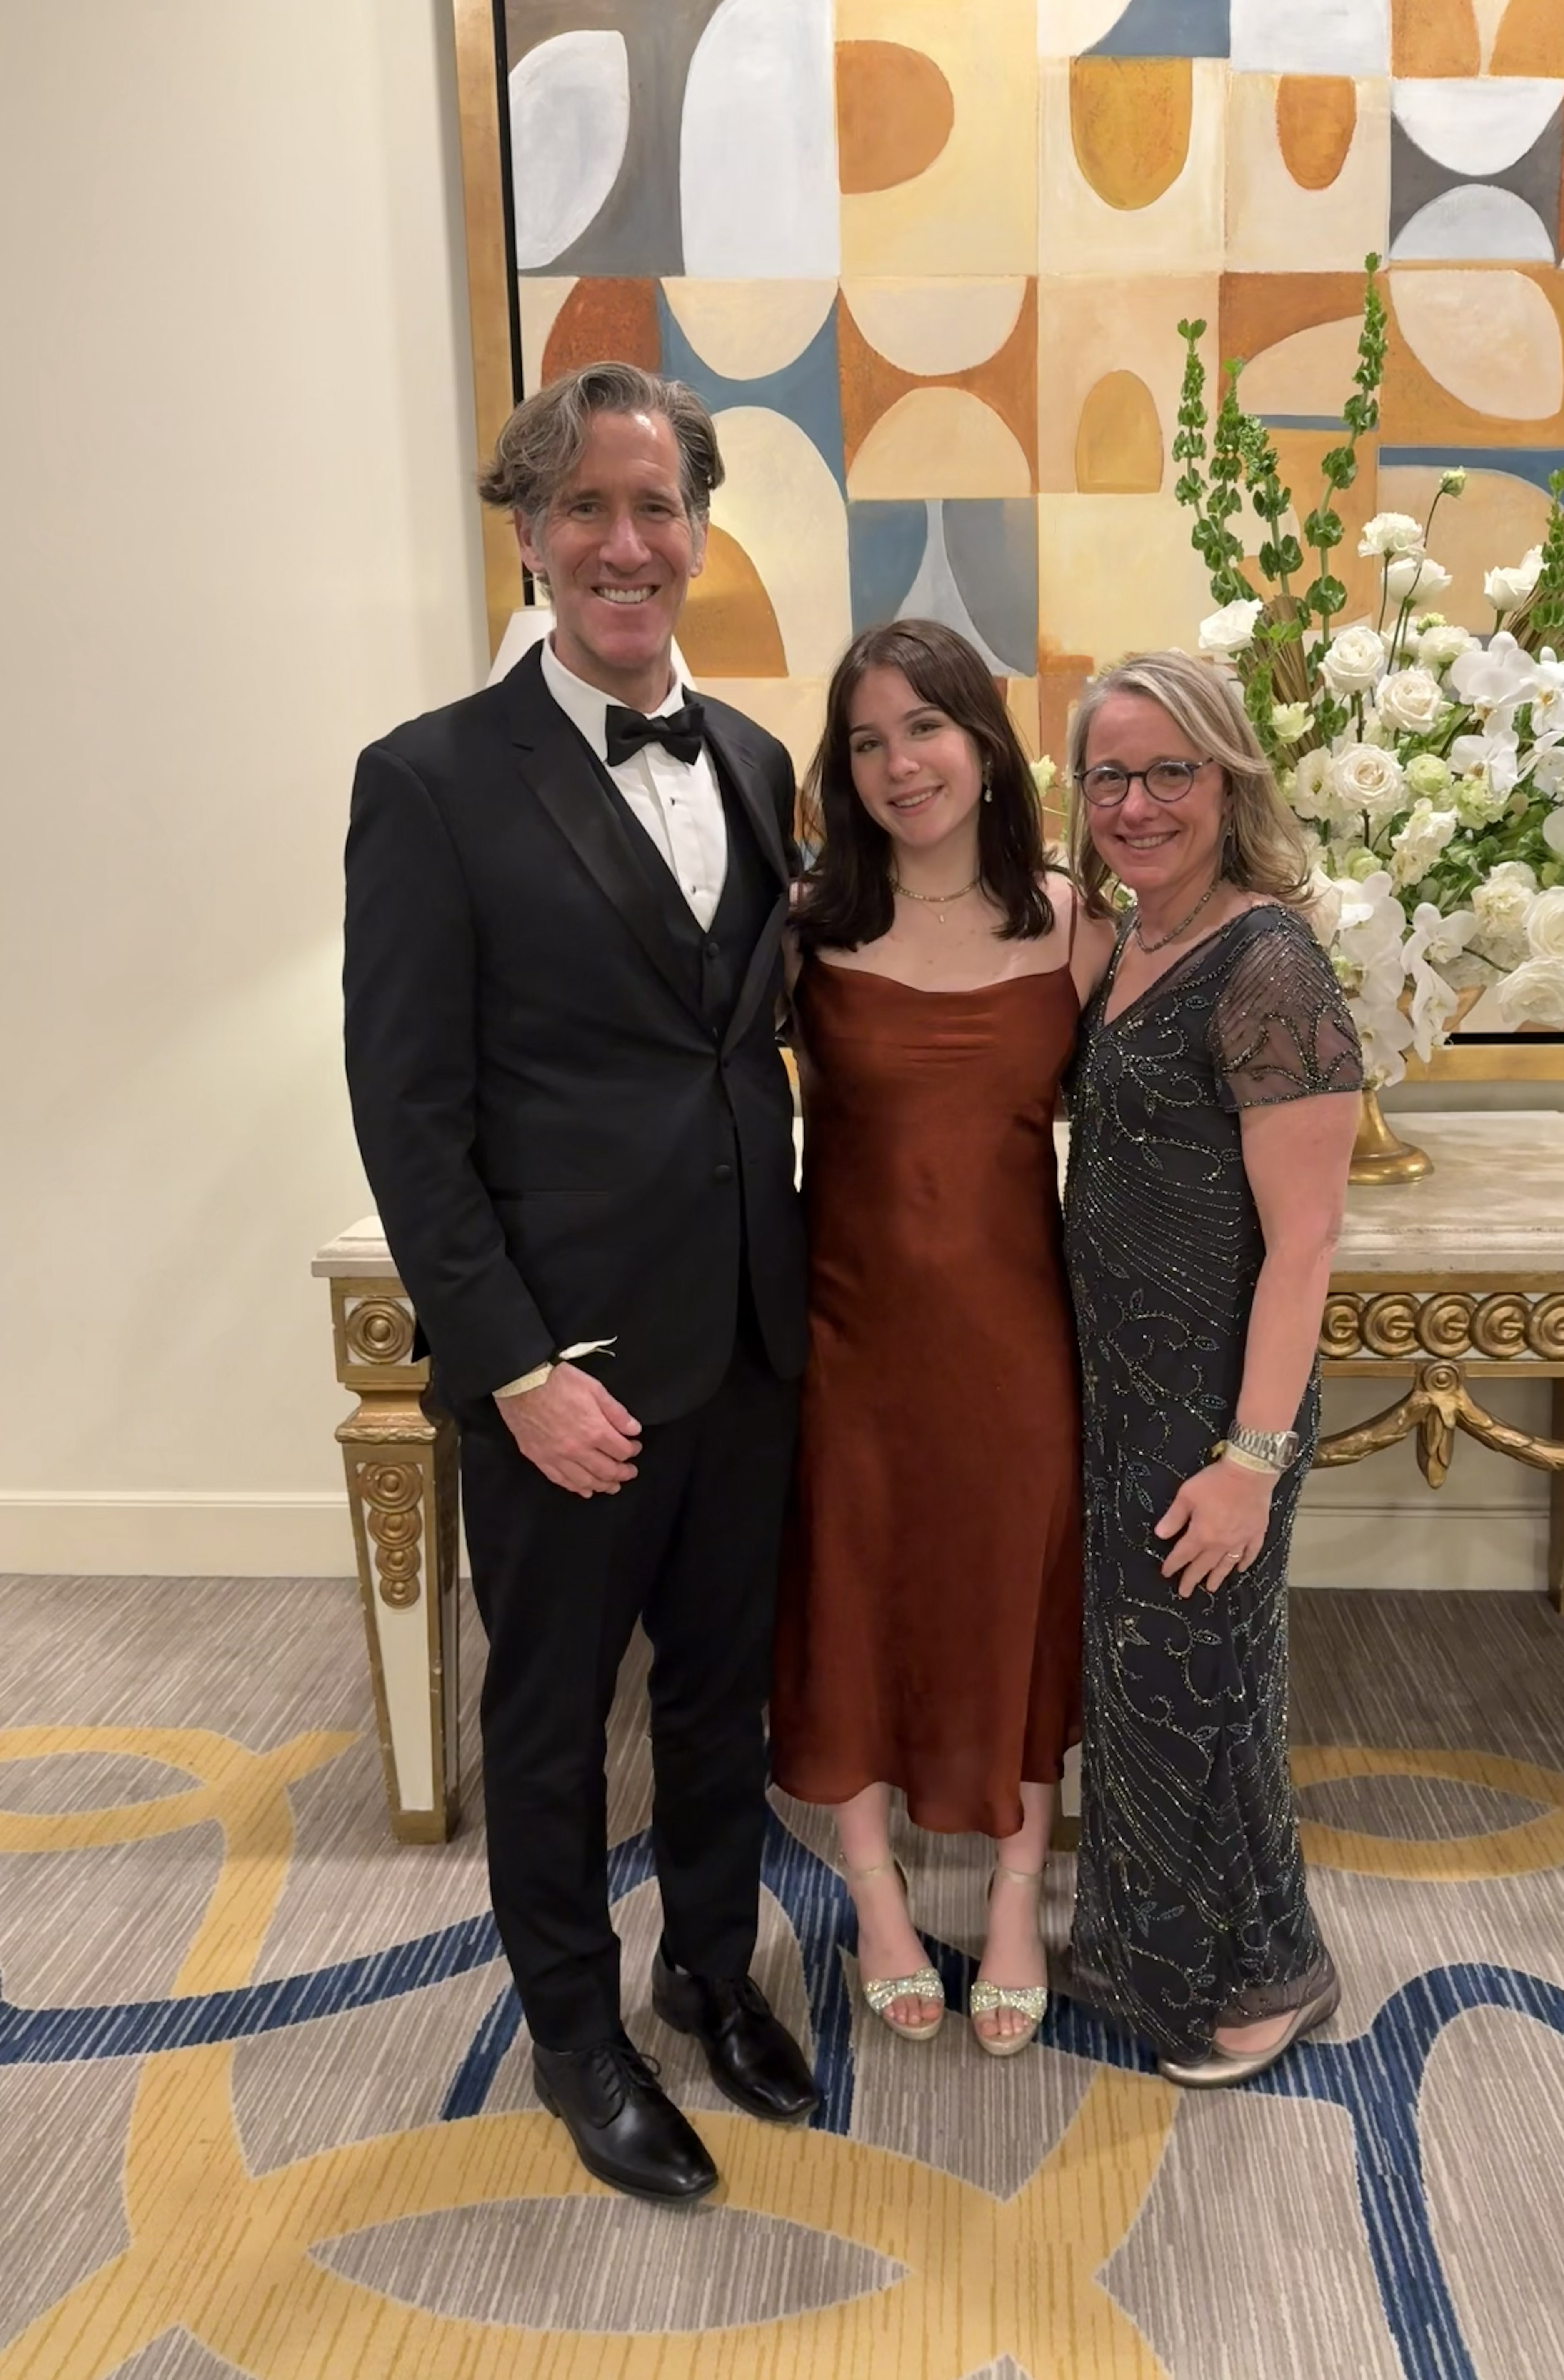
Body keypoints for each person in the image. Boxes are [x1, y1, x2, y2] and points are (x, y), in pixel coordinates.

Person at [342, 362, 818, 2205]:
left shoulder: (765, 763)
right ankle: (576, 2033)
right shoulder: (431, 781)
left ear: (697, 529)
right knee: (549, 1722)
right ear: (530, 534)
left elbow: (751, 1054)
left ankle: (712, 1968)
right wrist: (517, 1365)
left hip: (754, 1347)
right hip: (571, 1364)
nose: (628, 544)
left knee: (722, 1701)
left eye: (658, 507)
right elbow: (410, 1116)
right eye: (587, 509)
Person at [771, 619, 1113, 2057]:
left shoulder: (1077, 924)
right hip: (841, 1340)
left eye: (924, 728)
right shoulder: (804, 930)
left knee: (1010, 1607)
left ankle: (1021, 1898)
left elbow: (1149, 1149)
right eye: (865, 739)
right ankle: (878, 1897)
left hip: (1014, 1341)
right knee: (845, 1604)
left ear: (983, 745)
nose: (897, 762)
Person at [1062, 650, 1362, 2087]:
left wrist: (1250, 1462)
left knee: (1207, 1678)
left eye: (1168, 771)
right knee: (1142, 1677)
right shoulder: (1123, 943)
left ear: (1228, 779)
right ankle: (1150, 1946)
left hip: (1214, 1405)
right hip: (1112, 1388)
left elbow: (1304, 1245)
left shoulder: (1269, 960)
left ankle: (1264, 1970)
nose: (1136, 803)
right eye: (1107, 774)